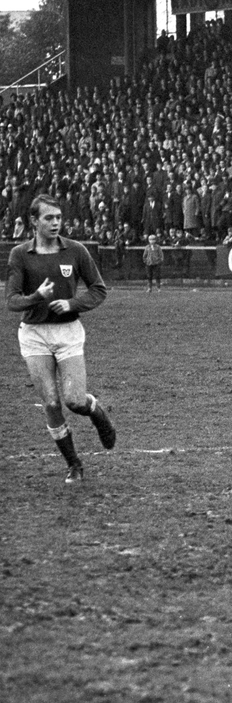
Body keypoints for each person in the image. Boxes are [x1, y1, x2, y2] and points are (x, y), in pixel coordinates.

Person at [6, 194, 117, 485]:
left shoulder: (76, 251)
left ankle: (97, 411)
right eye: (48, 218)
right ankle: (74, 465)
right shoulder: (20, 254)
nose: (55, 223)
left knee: (74, 400)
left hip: (68, 332)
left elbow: (98, 289)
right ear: (34, 221)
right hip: (35, 335)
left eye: (58, 218)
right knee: (52, 404)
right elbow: (12, 302)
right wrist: (36, 297)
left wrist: (72, 304)